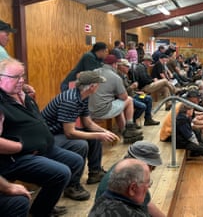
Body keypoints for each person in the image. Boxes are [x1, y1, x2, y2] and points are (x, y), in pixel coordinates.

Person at [0, 58, 84, 215]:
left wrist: (29, 97)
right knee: (61, 172)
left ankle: (46, 203)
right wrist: (20, 146)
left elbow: (34, 120)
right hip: (18, 157)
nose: (21, 80)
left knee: (75, 160)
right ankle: (41, 211)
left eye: (22, 76)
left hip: (44, 147)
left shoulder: (23, 94)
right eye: (16, 77)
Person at [42, 71, 120, 190]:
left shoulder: (82, 96)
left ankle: (95, 172)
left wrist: (104, 132)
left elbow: (88, 123)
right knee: (81, 144)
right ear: (92, 86)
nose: (99, 86)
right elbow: (70, 133)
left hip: (60, 131)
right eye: (98, 84)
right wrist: (98, 135)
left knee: (94, 136)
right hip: (48, 136)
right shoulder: (71, 100)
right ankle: (72, 185)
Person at [95, 141, 165, 217]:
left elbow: (147, 203)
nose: (151, 170)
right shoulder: (132, 180)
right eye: (151, 167)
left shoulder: (122, 168)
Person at [88, 54, 143, 143]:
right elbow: (124, 97)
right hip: (103, 110)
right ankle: (130, 128)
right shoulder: (115, 77)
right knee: (129, 100)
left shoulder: (94, 72)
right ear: (114, 64)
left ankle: (124, 132)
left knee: (118, 107)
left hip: (89, 110)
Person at [117, 59, 160, 126]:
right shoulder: (118, 77)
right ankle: (132, 121)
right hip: (128, 98)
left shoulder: (125, 75)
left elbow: (129, 89)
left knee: (148, 98)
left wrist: (136, 92)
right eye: (127, 66)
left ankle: (148, 119)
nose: (128, 68)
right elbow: (121, 93)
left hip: (134, 95)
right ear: (121, 66)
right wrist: (131, 87)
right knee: (142, 106)